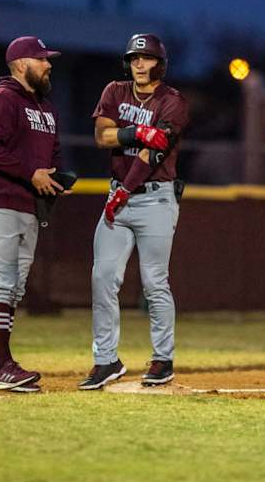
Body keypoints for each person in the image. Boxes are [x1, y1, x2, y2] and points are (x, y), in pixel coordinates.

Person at [78, 33, 190, 390]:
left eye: (147, 58)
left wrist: (125, 189)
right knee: (102, 277)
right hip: (118, 196)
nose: (140, 64)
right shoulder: (115, 90)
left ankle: (162, 359)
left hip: (154, 198)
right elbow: (102, 136)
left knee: (154, 281)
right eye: (135, 58)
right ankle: (106, 360)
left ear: (160, 62)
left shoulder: (173, 101)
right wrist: (140, 131)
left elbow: (153, 154)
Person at [0, 36, 65, 392]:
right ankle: (4, 363)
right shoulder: (3, 99)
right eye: (41, 60)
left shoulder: (46, 108)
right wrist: (31, 173)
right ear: (21, 64)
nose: (48, 64)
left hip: (27, 205)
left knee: (15, 287)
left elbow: (51, 154)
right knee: (2, 280)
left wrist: (56, 175)